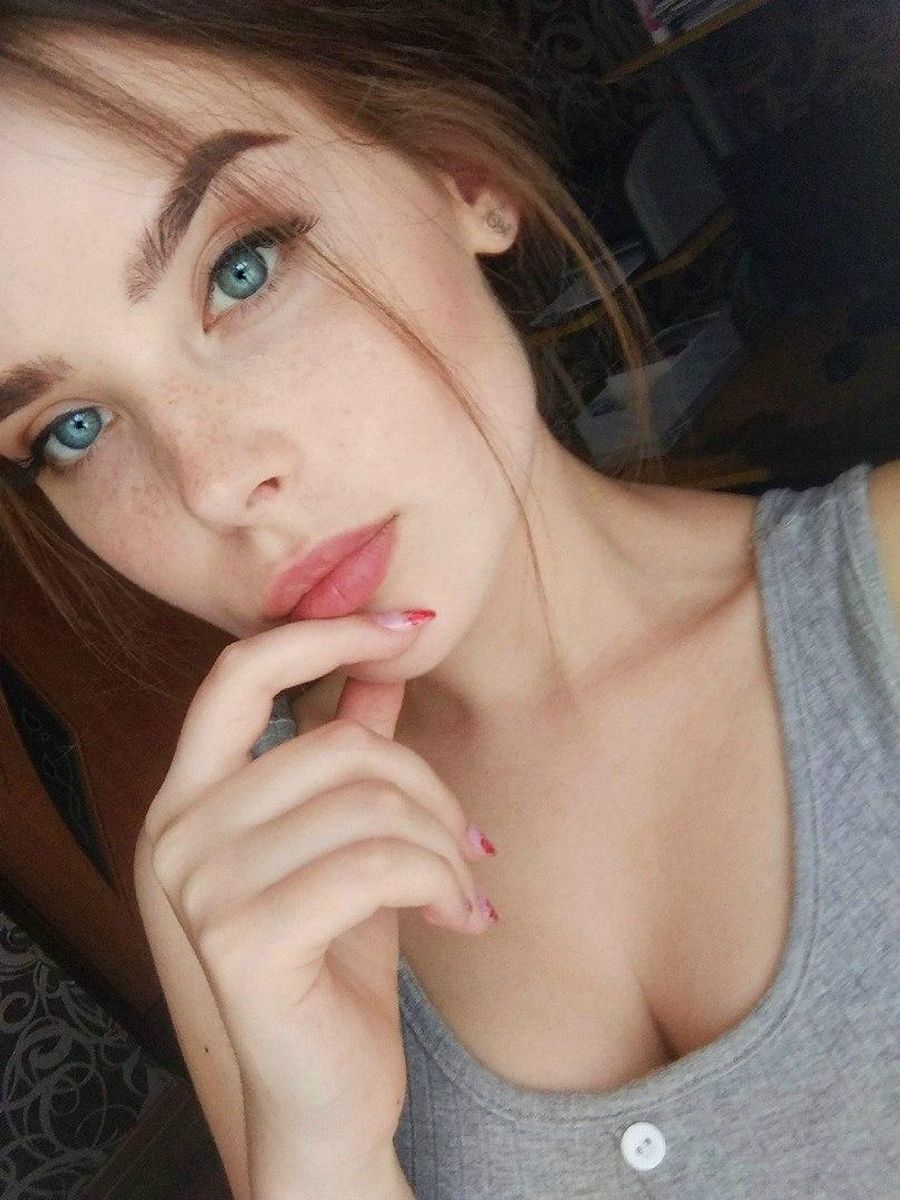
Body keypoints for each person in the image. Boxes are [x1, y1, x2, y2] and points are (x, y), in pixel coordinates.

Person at [0, 5, 897, 1199]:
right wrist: (322, 1152)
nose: (212, 485)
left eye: (241, 268)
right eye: (73, 427)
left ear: (460, 174)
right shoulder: (235, 888)